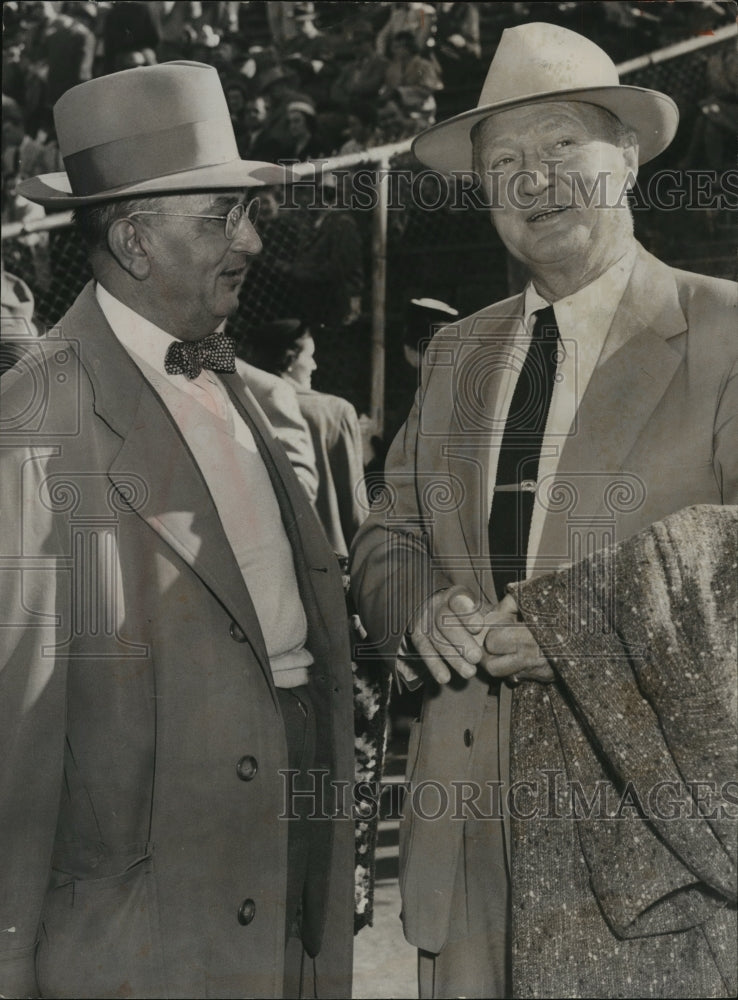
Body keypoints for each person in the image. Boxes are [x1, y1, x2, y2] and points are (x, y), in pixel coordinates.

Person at [350, 21, 737, 1000]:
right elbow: (387, 537)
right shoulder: (456, 355)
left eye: (563, 145)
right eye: (505, 162)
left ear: (631, 156)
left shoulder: (722, 332)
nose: (535, 180)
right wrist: (422, 605)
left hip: (654, 866)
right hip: (467, 852)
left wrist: (592, 628)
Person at [0, 61, 354, 1000]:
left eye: (247, 210)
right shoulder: (32, 423)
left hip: (291, 884)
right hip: (148, 939)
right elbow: (13, 742)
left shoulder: (246, 383)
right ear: (133, 239)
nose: (249, 238)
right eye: (217, 217)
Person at [247, 318, 368, 561]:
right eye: (309, 356)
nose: (314, 365)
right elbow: (356, 507)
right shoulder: (336, 410)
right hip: (330, 557)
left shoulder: (245, 403)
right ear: (289, 359)